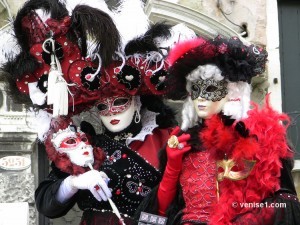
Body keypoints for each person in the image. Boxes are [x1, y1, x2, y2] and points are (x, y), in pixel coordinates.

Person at [136, 35, 300, 225]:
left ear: (232, 92)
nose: (201, 98)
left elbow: (285, 202)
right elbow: (160, 213)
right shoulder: (184, 140)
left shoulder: (260, 136)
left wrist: (246, 220)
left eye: (211, 89)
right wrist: (172, 167)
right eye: (195, 89)